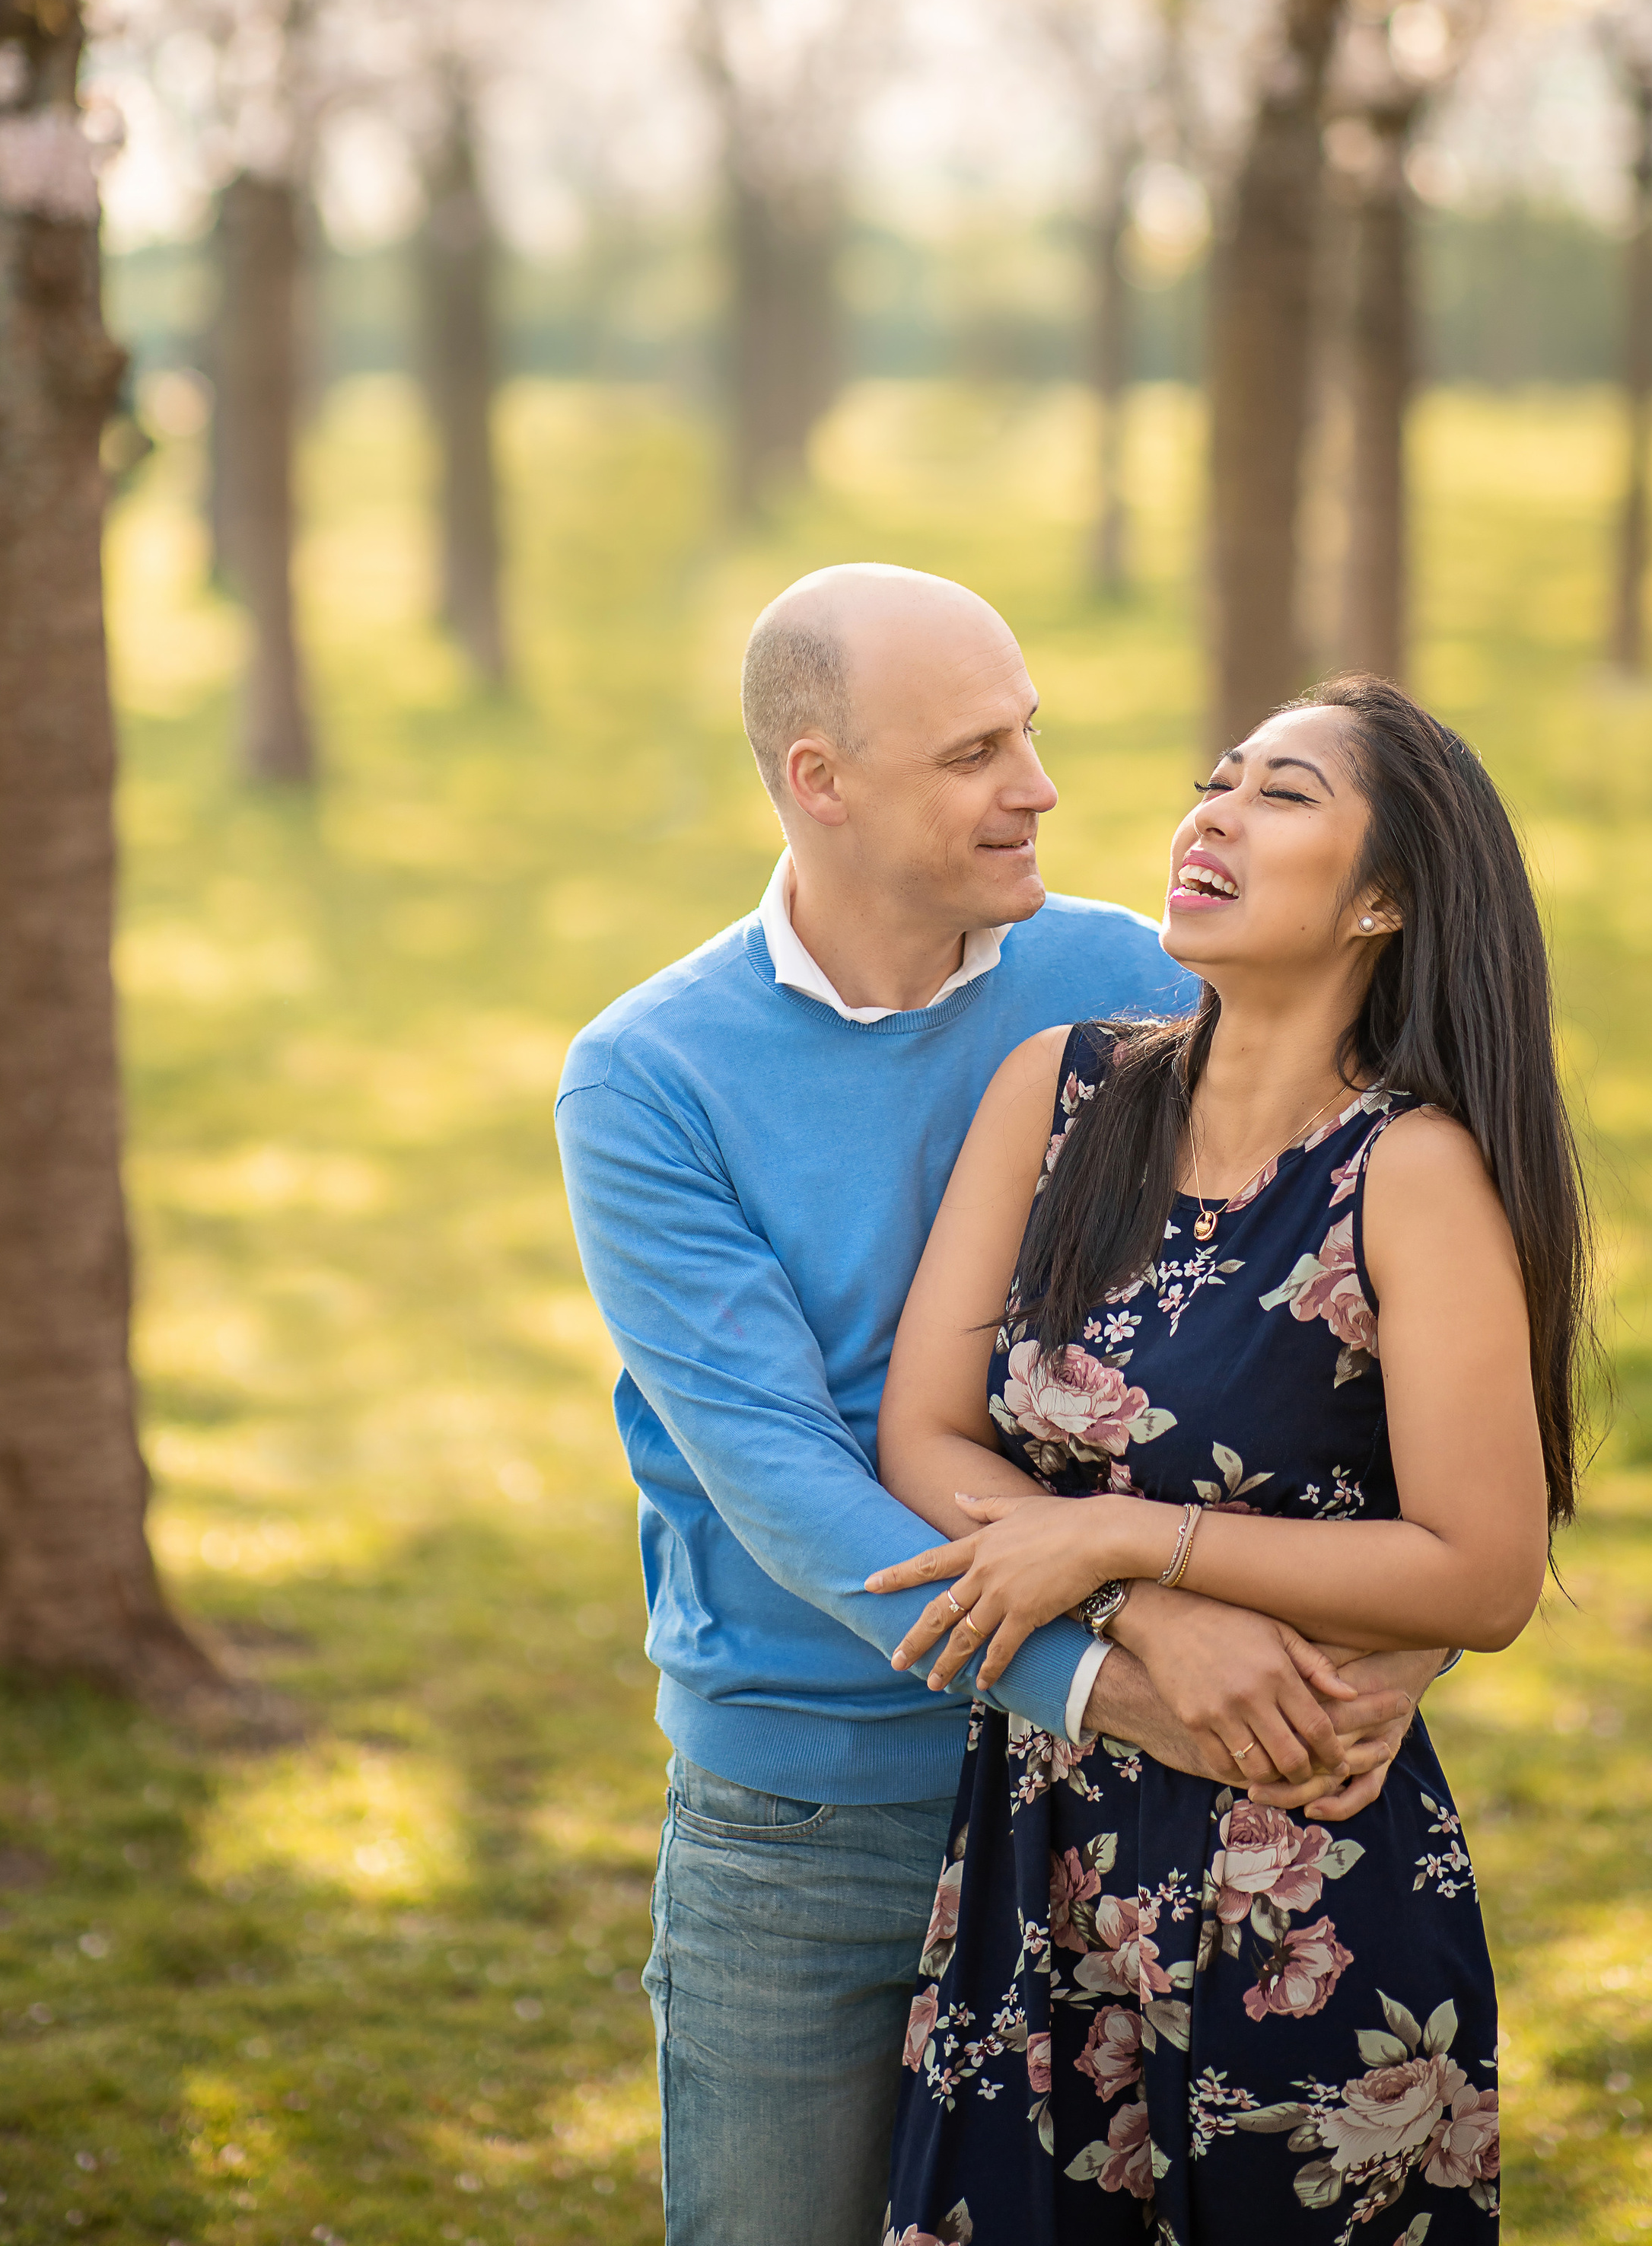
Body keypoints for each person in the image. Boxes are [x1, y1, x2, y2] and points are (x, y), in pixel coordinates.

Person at [555, 572, 1446, 2246]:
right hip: (819, 1810)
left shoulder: (1133, 975)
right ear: (819, 781)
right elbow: (779, 1476)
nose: (1036, 785)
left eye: (1027, 731)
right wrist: (1122, 1662)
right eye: (975, 752)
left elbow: (1344, 1321)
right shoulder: (648, 1076)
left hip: (1111, 1811)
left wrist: (1386, 1648)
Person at [872, 674, 1592, 2244]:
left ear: (1384, 898)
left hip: (1299, 1871)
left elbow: (1480, 1571)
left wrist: (1123, 1542)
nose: (1211, 815)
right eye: (1214, 781)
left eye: (1281, 796)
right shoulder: (1059, 1093)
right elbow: (921, 1433)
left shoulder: (1407, 1173)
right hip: (1036, 1851)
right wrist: (1132, 1603)